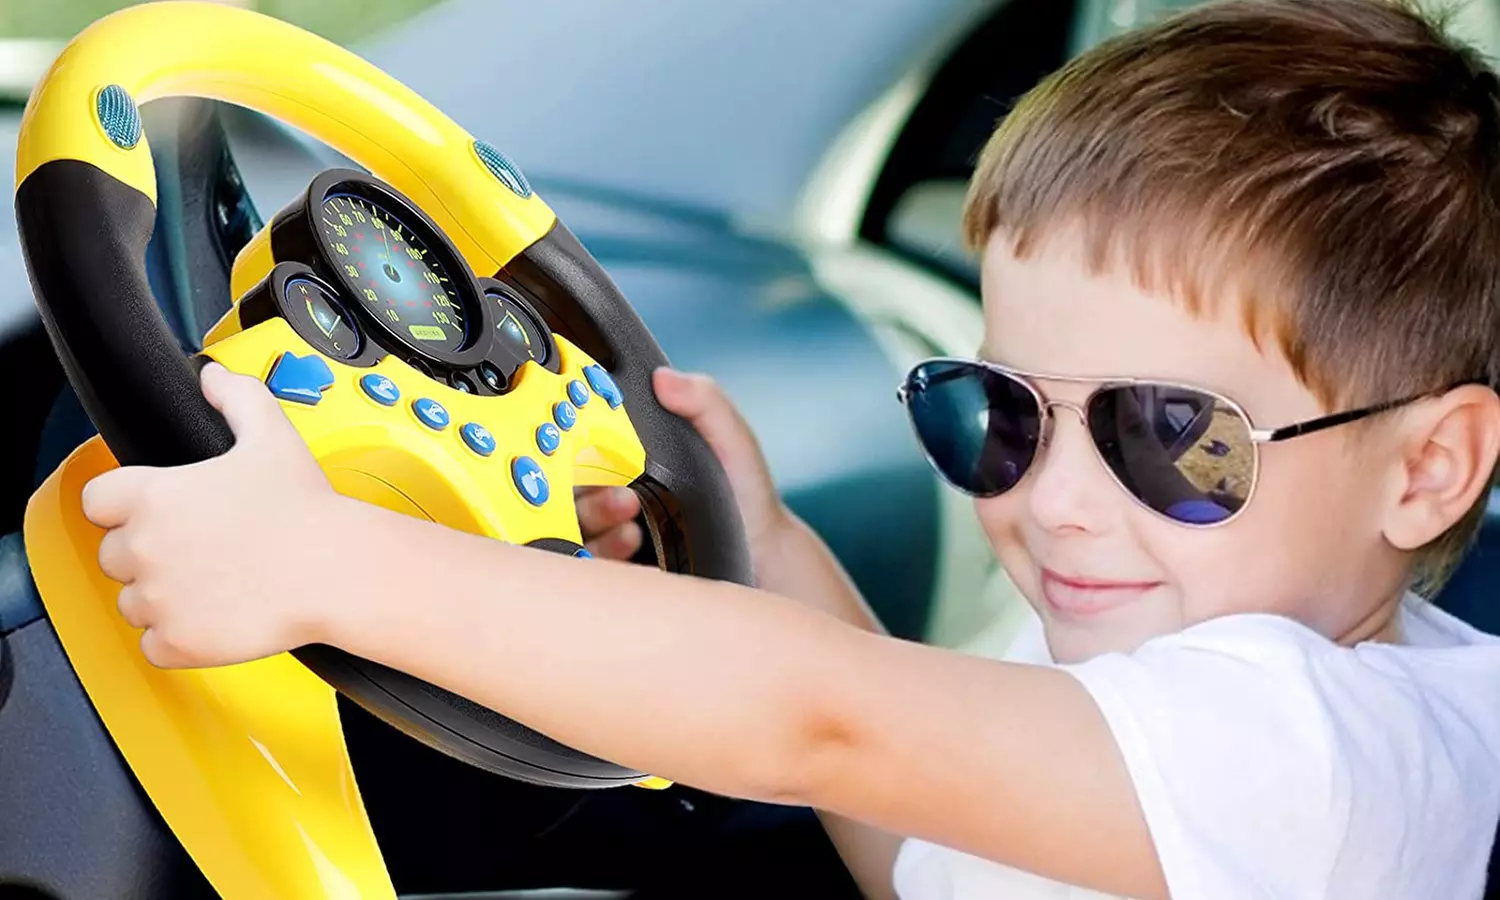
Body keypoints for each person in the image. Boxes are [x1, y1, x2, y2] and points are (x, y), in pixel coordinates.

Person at [77, 0, 1500, 896]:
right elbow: (913, 840)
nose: (1056, 506)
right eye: (996, 412)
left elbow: (828, 719)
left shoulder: (1325, 752)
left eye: (1170, 436)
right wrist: (768, 544)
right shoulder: (1153, 676)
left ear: (1429, 470)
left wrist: (327, 564)